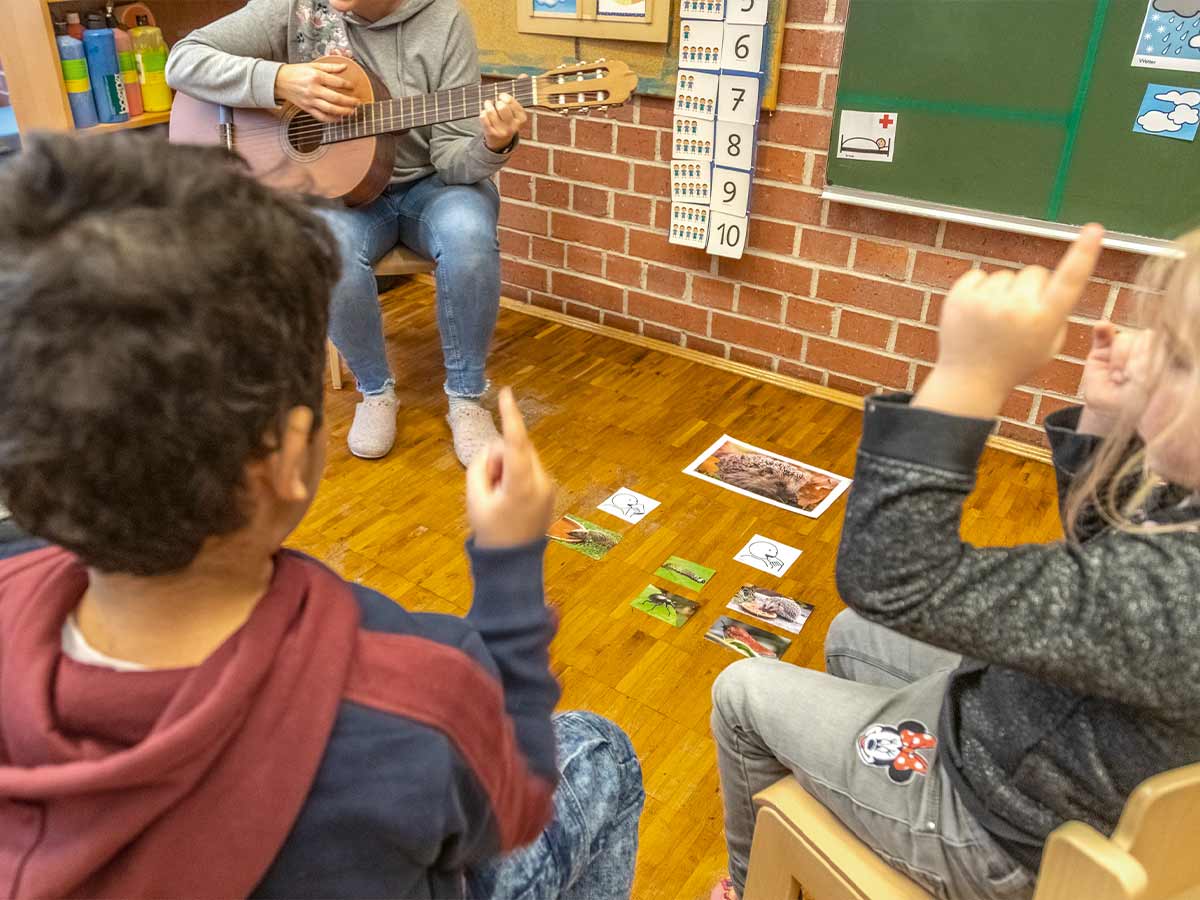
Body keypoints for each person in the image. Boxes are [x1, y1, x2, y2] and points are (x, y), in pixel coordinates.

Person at [0, 133, 642, 900]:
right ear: (288, 458)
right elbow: (517, 803)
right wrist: (508, 569)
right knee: (602, 751)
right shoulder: (415, 693)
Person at [709, 225, 1200, 900]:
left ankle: (752, 888)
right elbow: (1110, 557)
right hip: (1033, 745)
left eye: (1178, 359)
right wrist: (1107, 417)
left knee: (740, 692)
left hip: (1000, 831)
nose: (1149, 364)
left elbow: (894, 576)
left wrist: (970, 374)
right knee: (850, 634)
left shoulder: (1178, 595)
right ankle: (857, 796)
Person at [166, 0, 528, 464]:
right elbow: (183, 60)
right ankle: (375, 391)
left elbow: (453, 161)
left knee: (469, 234)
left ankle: (466, 398)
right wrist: (280, 80)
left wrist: (493, 144)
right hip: (340, 193)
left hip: (432, 187)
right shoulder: (294, 8)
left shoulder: (444, 21)